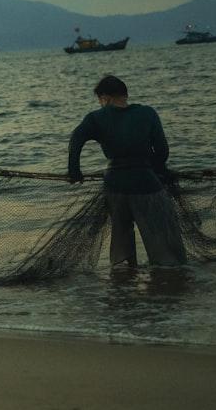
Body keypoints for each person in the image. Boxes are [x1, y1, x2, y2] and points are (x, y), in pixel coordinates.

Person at [67, 75, 187, 267]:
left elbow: (75, 140)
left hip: (114, 185)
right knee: (161, 241)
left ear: (105, 97)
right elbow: (162, 151)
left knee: (121, 238)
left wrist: (75, 172)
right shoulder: (147, 113)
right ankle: (166, 281)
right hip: (146, 184)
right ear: (125, 95)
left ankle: (125, 283)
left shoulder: (95, 118)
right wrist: (153, 169)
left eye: (100, 100)